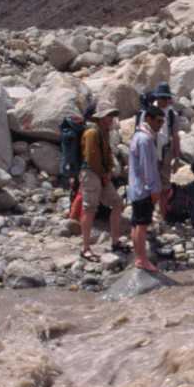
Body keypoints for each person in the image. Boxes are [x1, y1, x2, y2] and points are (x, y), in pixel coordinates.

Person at [79, 105, 126, 262]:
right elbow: (91, 158)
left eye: (112, 116)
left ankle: (115, 241)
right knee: (89, 209)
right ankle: (85, 248)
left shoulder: (103, 133)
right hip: (91, 174)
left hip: (101, 175)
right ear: (99, 118)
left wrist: (108, 172)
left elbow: (107, 156)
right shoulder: (92, 133)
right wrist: (104, 175)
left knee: (117, 203)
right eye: (108, 116)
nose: (111, 119)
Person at [127, 106, 165, 272]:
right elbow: (147, 167)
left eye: (162, 122)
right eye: (158, 121)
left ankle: (139, 257)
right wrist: (154, 189)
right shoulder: (145, 139)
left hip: (136, 188)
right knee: (141, 225)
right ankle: (142, 259)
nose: (160, 125)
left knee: (136, 224)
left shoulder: (139, 136)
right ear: (148, 118)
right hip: (144, 189)